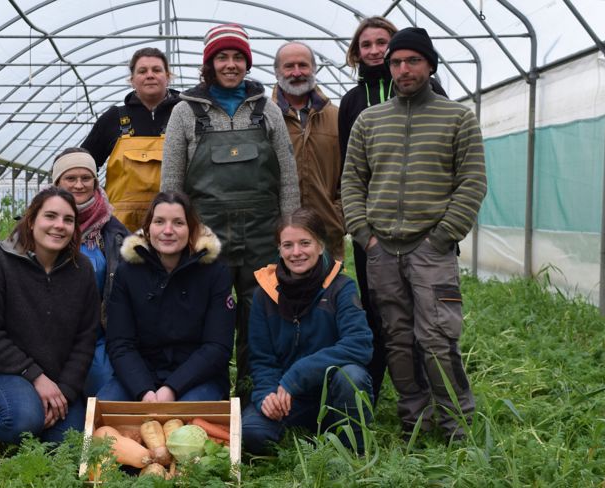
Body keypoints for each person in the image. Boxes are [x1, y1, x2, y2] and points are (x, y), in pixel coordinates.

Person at [341, 27, 486, 442]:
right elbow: (351, 182)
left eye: (413, 61)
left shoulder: (457, 117)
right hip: (381, 249)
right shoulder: (370, 120)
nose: (403, 69)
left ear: (430, 65)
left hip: (432, 250)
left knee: (437, 339)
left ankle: (457, 424)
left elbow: (472, 182)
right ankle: (414, 421)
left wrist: (441, 238)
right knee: (398, 340)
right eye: (397, 62)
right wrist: (366, 236)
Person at [161, 23, 300, 401]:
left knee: (261, 315)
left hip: (262, 234)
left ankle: (256, 394)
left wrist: (289, 229)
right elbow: (171, 185)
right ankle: (210, 392)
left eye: (238, 57)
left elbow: (288, 177)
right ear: (209, 64)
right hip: (208, 237)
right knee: (209, 317)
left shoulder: (267, 111)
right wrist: (175, 234)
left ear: (247, 63)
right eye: (222, 57)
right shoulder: (185, 113)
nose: (230, 64)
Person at [337, 15, 448, 406]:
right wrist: (363, 234)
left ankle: (439, 397)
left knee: (431, 320)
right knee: (382, 316)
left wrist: (443, 235)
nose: (374, 51)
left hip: (427, 235)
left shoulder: (438, 98)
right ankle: (384, 392)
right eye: (365, 44)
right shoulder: (353, 103)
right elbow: (349, 171)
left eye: (381, 42)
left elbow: (454, 170)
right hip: (375, 235)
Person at [0, 187, 98, 445]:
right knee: (23, 420)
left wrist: (66, 392)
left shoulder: (81, 270)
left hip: (57, 378)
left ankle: (36, 417)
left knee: (70, 441)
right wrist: (35, 376)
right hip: (0, 371)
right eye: (50, 216)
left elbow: (86, 338)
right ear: (32, 219)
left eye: (68, 220)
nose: (59, 226)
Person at [242, 208, 372, 455]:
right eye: (287, 245)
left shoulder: (341, 288)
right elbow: (262, 359)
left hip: (332, 395)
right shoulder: (263, 294)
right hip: (286, 398)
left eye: (305, 243)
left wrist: (297, 376)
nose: (296, 252)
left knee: (352, 376)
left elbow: (359, 344)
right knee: (252, 434)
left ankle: (353, 450)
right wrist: (267, 396)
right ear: (279, 249)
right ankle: (292, 429)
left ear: (321, 246)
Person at [99, 191, 235, 402]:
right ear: (148, 228)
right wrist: (143, 390)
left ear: (191, 229)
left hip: (198, 378)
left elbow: (217, 347)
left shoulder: (215, 272)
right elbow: (120, 343)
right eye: (159, 221)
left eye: (178, 223)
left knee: (185, 422)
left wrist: (172, 388)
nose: (168, 231)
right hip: (141, 376)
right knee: (104, 416)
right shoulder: (128, 272)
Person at [51, 147, 130, 399]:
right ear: (57, 182)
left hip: (97, 336)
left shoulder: (113, 232)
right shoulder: (37, 226)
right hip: (47, 334)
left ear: (96, 182)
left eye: (86, 178)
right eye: (70, 178)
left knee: (108, 398)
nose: (79, 185)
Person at [80, 47, 182, 231]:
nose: (150, 75)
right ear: (132, 80)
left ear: (168, 76)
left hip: (173, 225)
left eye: (156, 70)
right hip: (121, 228)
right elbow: (82, 163)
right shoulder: (113, 118)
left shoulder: (185, 114)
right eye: (142, 71)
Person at [271, 41, 345, 259]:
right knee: (281, 291)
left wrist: (338, 217)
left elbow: (351, 175)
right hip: (279, 237)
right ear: (277, 72)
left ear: (314, 68)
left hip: (327, 235)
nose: (296, 73)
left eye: (303, 65)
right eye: (289, 66)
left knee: (329, 291)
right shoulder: (264, 118)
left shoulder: (337, 117)